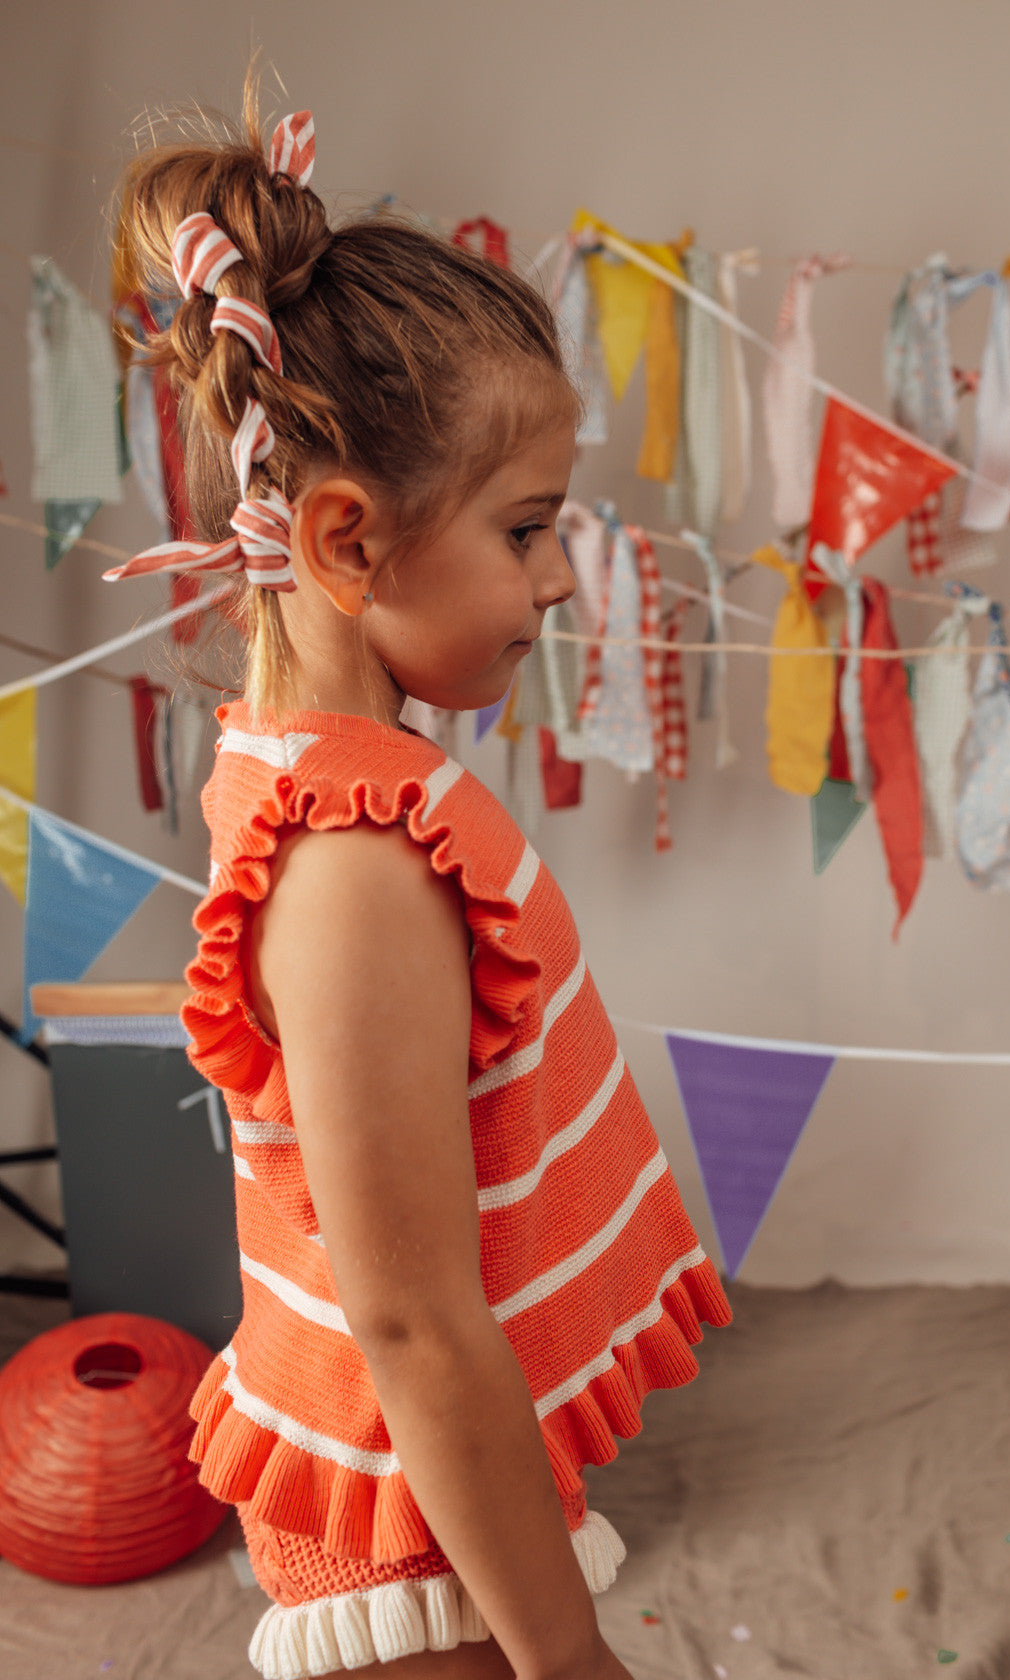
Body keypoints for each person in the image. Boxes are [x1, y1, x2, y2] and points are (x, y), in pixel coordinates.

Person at [106, 88, 732, 1680]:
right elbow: (416, 1328)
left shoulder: (323, 770)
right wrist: (570, 1656)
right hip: (402, 1520)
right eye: (527, 530)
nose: (550, 581)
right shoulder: (358, 869)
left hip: (430, 1479)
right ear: (343, 540)